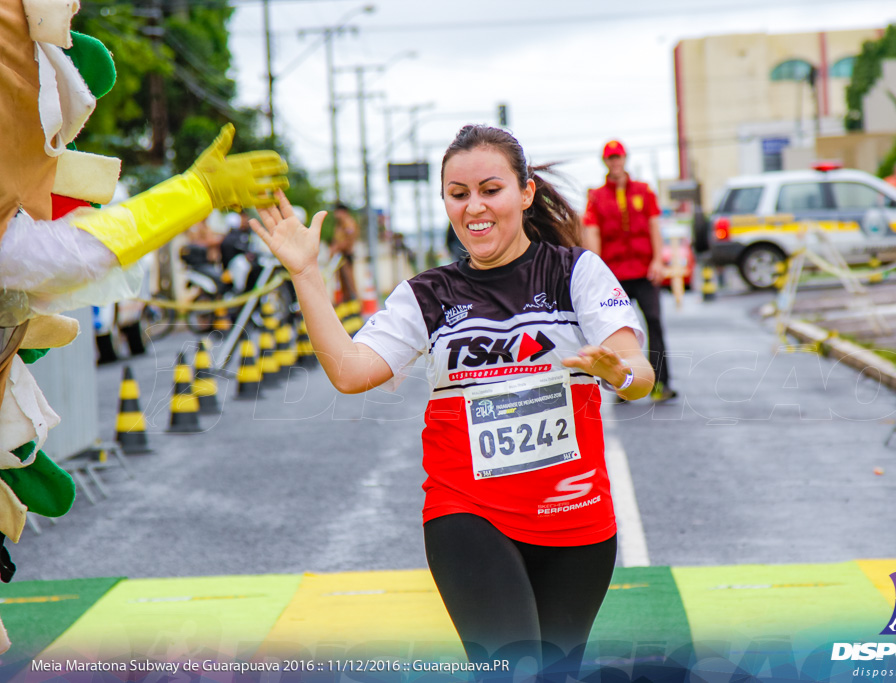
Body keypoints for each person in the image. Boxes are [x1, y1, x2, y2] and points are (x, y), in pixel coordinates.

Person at [249, 125, 656, 679]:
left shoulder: (574, 272)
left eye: (491, 190)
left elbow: (640, 375)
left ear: (526, 192)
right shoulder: (428, 294)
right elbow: (350, 372)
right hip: (468, 511)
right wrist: (305, 273)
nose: (475, 208)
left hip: (575, 517)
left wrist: (620, 373)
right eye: (458, 194)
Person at [582, 139, 677, 402]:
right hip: (615, 276)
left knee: (655, 324)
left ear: (625, 159)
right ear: (605, 162)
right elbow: (593, 232)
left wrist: (658, 260)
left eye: (619, 157)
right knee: (617, 330)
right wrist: (596, 270)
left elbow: (655, 226)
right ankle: (624, 384)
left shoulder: (644, 191)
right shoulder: (597, 197)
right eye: (611, 158)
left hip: (645, 271)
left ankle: (660, 384)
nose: (615, 162)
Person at [329, 202, 360, 303]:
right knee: (342, 283)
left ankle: (354, 304)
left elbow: (348, 240)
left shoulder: (348, 223)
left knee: (349, 282)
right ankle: (347, 304)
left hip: (345, 256)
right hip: (340, 257)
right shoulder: (339, 224)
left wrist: (337, 247)